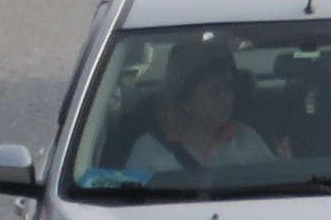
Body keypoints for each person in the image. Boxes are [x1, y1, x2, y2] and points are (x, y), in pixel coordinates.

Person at [120, 44, 286, 183]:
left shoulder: (246, 138)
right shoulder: (150, 149)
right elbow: (132, 201)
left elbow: (274, 187)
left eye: (228, 88)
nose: (227, 98)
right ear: (185, 101)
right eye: (214, 91)